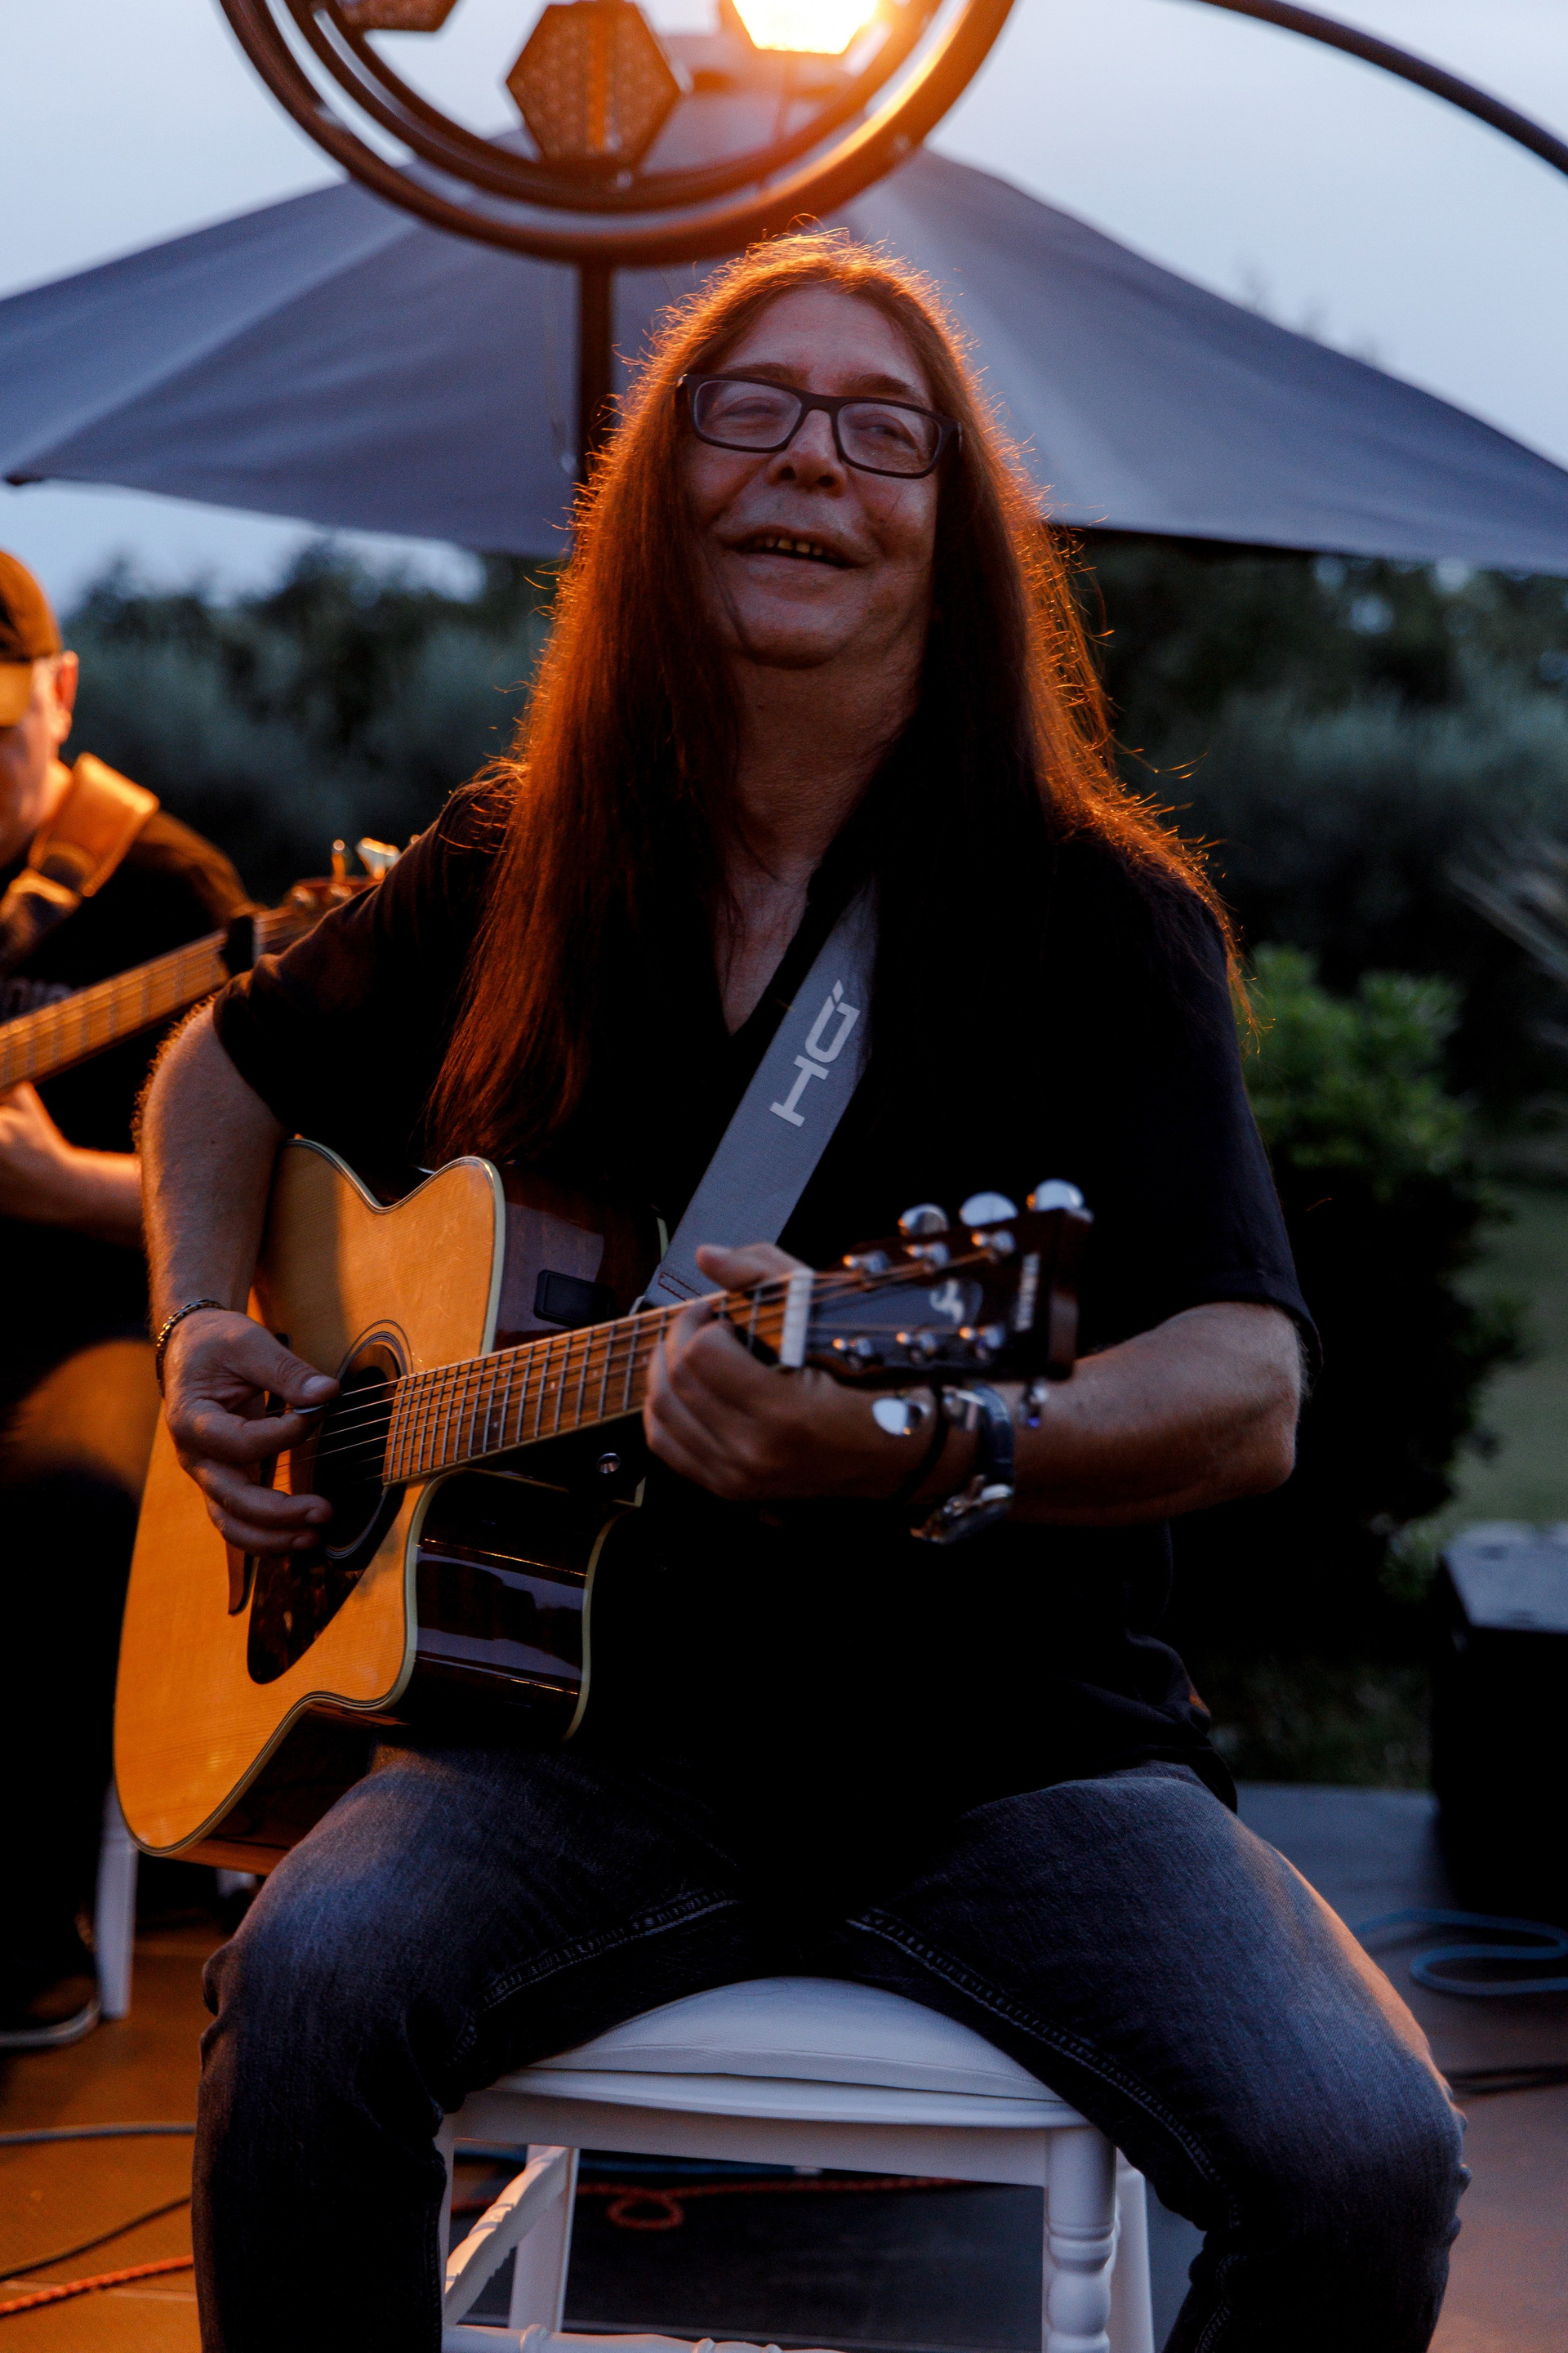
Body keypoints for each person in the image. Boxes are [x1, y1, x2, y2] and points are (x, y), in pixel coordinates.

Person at [141, 240, 1464, 2352]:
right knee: (302, 2000)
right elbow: (214, 1076)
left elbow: (1246, 1385)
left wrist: (927, 1442)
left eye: (882, 431)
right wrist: (206, 1326)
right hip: (578, 1760)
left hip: (1020, 1768)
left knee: (1364, 2154)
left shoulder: (1103, 923)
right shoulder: (517, 861)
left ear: (956, 535)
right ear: (657, 498)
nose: (811, 466)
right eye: (748, 412)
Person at [0, 550, 248, 2049]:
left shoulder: (178, 895)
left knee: (61, 1490)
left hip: (119, 1319)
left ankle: (22, 1934)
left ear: (65, 695)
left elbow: (278, 1189)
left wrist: (68, 1184)